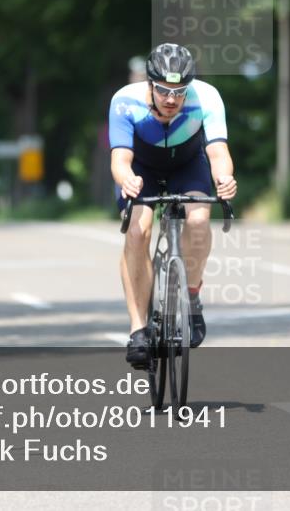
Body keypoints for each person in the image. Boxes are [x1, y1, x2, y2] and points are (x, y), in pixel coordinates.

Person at [109, 43, 237, 369]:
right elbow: (120, 159)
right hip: (141, 170)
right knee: (138, 230)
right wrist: (127, 179)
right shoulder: (126, 101)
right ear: (149, 84)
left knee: (197, 222)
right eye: (164, 90)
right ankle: (138, 329)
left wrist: (225, 179)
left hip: (186, 166)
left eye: (179, 92)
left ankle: (191, 296)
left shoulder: (206, 97)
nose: (171, 99)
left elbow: (218, 152)